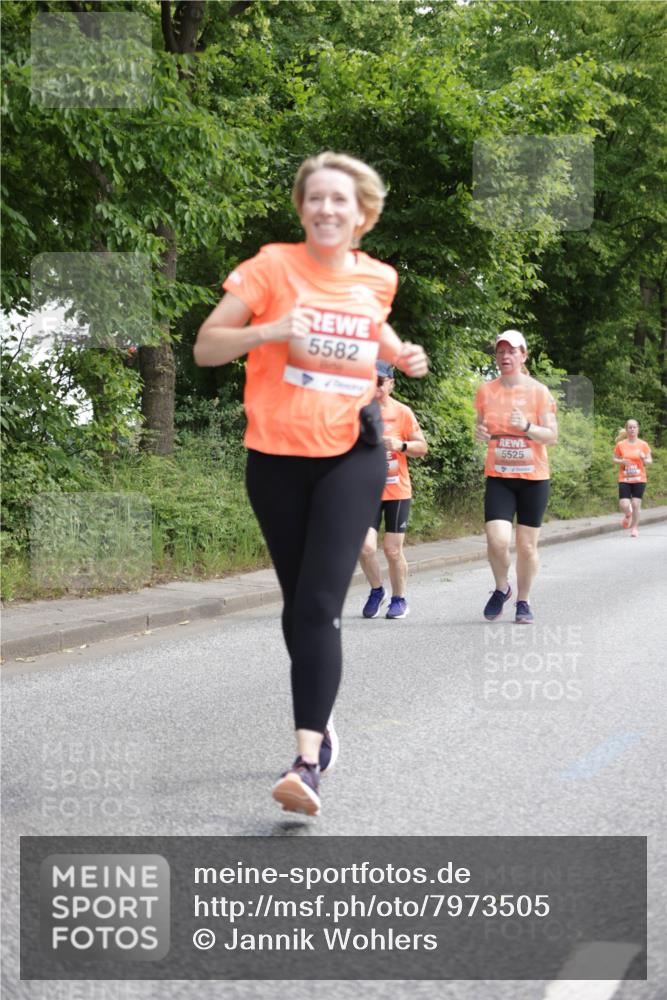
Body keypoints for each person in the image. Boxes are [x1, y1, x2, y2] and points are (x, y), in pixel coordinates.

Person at [193, 152, 428, 817]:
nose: (327, 209)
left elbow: (373, 330)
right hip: (273, 456)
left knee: (321, 602)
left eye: (340, 201)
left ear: (362, 215)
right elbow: (206, 346)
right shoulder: (269, 267)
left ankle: (305, 762)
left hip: (352, 452)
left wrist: (399, 353)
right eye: (315, 198)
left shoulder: (377, 278)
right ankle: (323, 724)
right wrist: (268, 329)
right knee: (297, 602)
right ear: (301, 208)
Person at [474, 330, 558, 625]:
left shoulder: (539, 392)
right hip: (499, 475)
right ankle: (502, 588)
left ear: (524, 355)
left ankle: (524, 600)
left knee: (526, 546)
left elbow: (551, 435)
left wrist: (526, 427)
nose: (505, 356)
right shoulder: (485, 391)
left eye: (512, 351)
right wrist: (481, 433)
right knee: (497, 540)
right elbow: (481, 427)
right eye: (500, 351)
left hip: (533, 478)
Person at [359, 360, 428, 619]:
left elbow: (423, 447)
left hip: (397, 491)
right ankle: (377, 591)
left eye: (379, 381)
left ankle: (399, 599)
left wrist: (401, 445)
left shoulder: (403, 413)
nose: (374, 386)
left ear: (390, 383)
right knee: (364, 548)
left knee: (391, 550)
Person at [613, 419, 652, 538]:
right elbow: (614, 458)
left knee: (636, 504)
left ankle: (634, 528)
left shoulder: (643, 444)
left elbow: (649, 461)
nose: (632, 429)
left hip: (639, 478)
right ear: (626, 429)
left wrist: (644, 457)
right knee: (624, 504)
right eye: (630, 427)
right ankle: (628, 514)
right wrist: (621, 461)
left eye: (634, 427)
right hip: (624, 478)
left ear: (638, 429)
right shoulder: (620, 445)